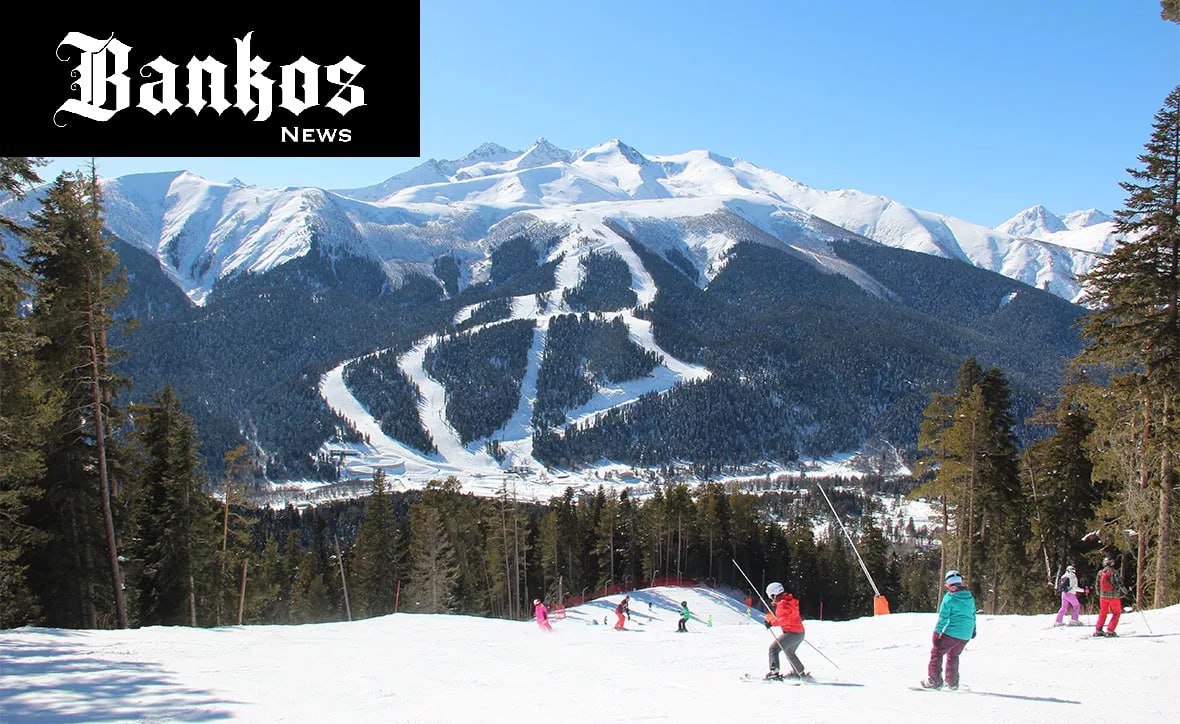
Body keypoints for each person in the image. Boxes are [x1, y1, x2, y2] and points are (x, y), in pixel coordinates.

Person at [923, 569, 976, 690]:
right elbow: (973, 614)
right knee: (953, 654)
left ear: (948, 583)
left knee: (937, 652)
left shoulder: (950, 597)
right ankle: (952, 682)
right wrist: (973, 629)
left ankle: (934, 680)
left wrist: (936, 633)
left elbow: (943, 618)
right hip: (966, 634)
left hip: (954, 632)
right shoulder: (969, 596)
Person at [763, 582, 808, 679]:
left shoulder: (782, 604)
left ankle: (774, 673)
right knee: (789, 651)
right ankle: (798, 672)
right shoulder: (789, 601)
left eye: (771, 596)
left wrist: (771, 623)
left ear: (774, 594)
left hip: (792, 633)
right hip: (799, 633)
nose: (771, 599)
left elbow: (784, 620)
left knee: (773, 649)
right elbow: (787, 616)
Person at [1094, 556, 1123, 637]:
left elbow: (1097, 585)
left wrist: (1099, 593)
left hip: (1103, 596)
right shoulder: (1114, 572)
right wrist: (1125, 591)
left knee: (1103, 612)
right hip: (1113, 596)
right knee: (1116, 613)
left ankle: (1098, 630)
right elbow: (1119, 583)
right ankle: (1110, 630)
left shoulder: (1100, 572)